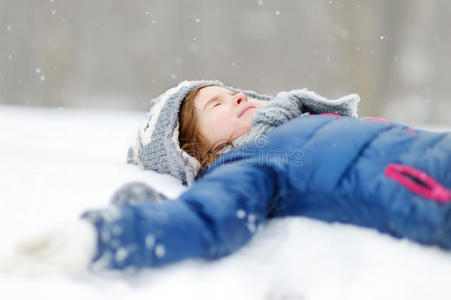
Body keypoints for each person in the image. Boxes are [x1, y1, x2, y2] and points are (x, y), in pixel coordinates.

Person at [2, 80, 450, 275]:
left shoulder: (293, 126)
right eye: (214, 105)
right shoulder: (248, 165)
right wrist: (104, 236)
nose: (235, 96)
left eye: (230, 91)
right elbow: (205, 221)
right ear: (188, 151)